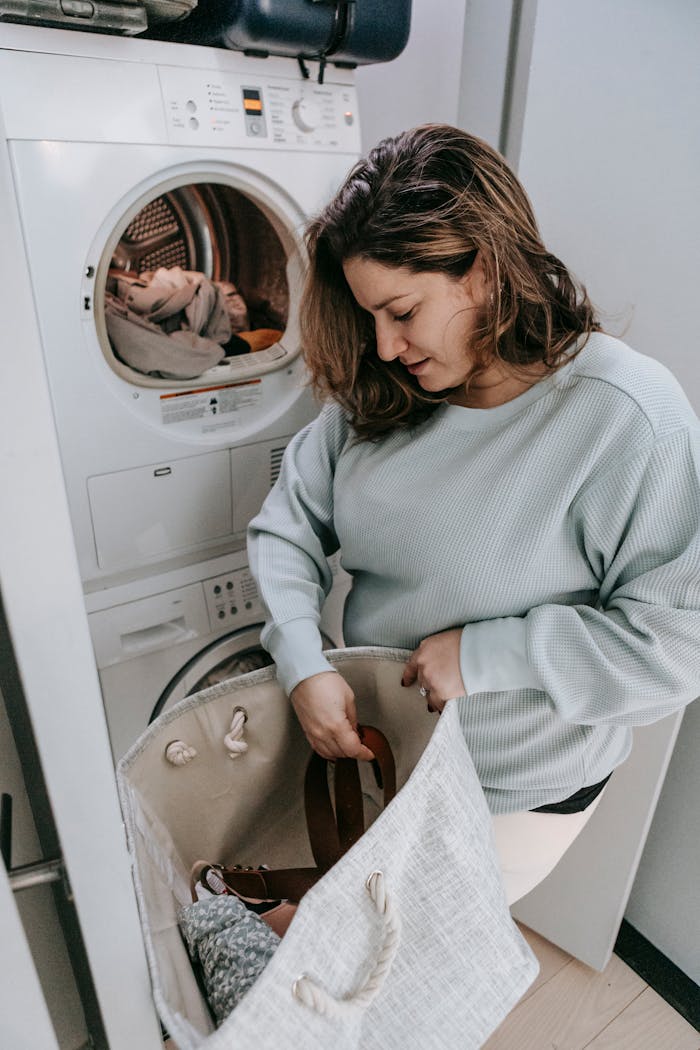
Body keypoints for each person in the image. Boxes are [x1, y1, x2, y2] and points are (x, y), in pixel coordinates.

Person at [247, 124, 700, 902]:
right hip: (388, 757)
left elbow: (677, 647)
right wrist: (302, 660)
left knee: (377, 983)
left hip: (514, 791)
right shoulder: (380, 394)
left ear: (483, 272)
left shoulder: (627, 418)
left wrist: (489, 654)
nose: (385, 347)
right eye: (369, 319)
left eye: (402, 312)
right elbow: (286, 529)